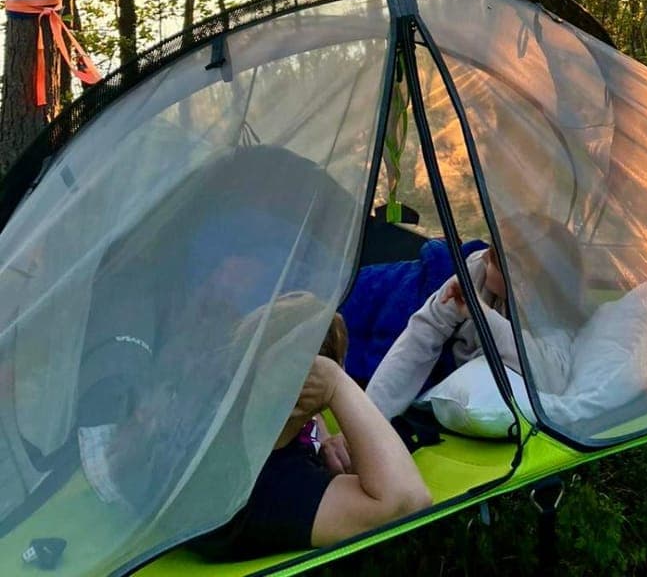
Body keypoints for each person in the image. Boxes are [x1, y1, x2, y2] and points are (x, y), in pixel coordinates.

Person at [196, 311, 432, 559]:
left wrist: (320, 429)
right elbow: (406, 502)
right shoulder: (271, 491)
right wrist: (336, 384)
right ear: (311, 388)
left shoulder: (207, 425)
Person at [365, 214, 587, 422]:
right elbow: (424, 329)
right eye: (491, 250)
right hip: (399, 285)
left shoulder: (553, 320)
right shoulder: (477, 268)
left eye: (496, 260)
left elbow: (548, 375)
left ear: (527, 282)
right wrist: (371, 416)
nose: (484, 257)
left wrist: (483, 315)